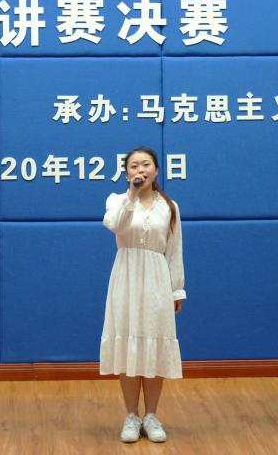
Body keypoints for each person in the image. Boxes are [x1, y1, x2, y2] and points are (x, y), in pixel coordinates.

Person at [99, 146, 186, 444]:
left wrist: (176, 289)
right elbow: (115, 225)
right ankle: (131, 416)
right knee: (128, 344)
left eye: (146, 164)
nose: (140, 170)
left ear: (156, 170)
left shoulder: (169, 206)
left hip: (157, 278)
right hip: (126, 276)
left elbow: (174, 250)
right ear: (126, 173)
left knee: (154, 342)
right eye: (134, 165)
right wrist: (132, 196)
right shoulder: (117, 201)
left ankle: (151, 415)